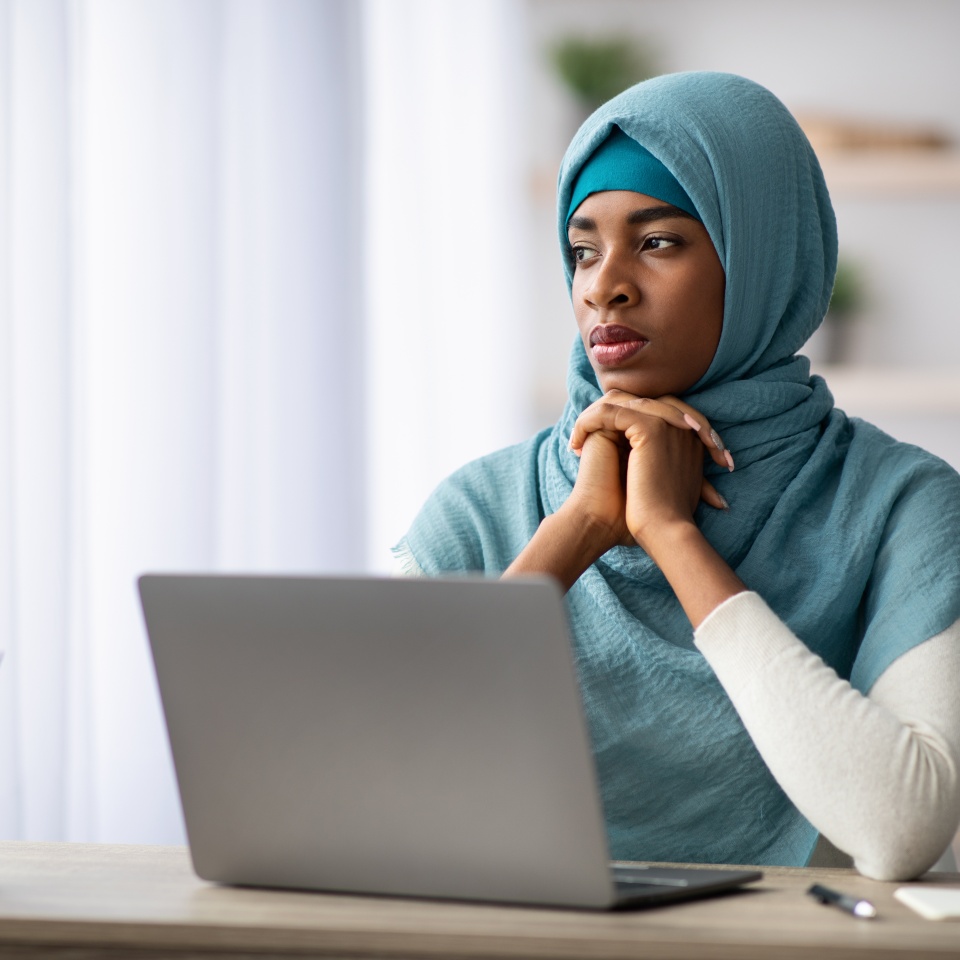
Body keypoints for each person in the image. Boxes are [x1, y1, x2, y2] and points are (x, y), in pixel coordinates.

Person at [394, 72, 960, 881]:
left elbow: (901, 828)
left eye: (657, 241)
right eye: (583, 249)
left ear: (762, 256)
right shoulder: (483, 508)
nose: (603, 285)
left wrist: (670, 533)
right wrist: (579, 529)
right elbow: (380, 775)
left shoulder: (903, 506)